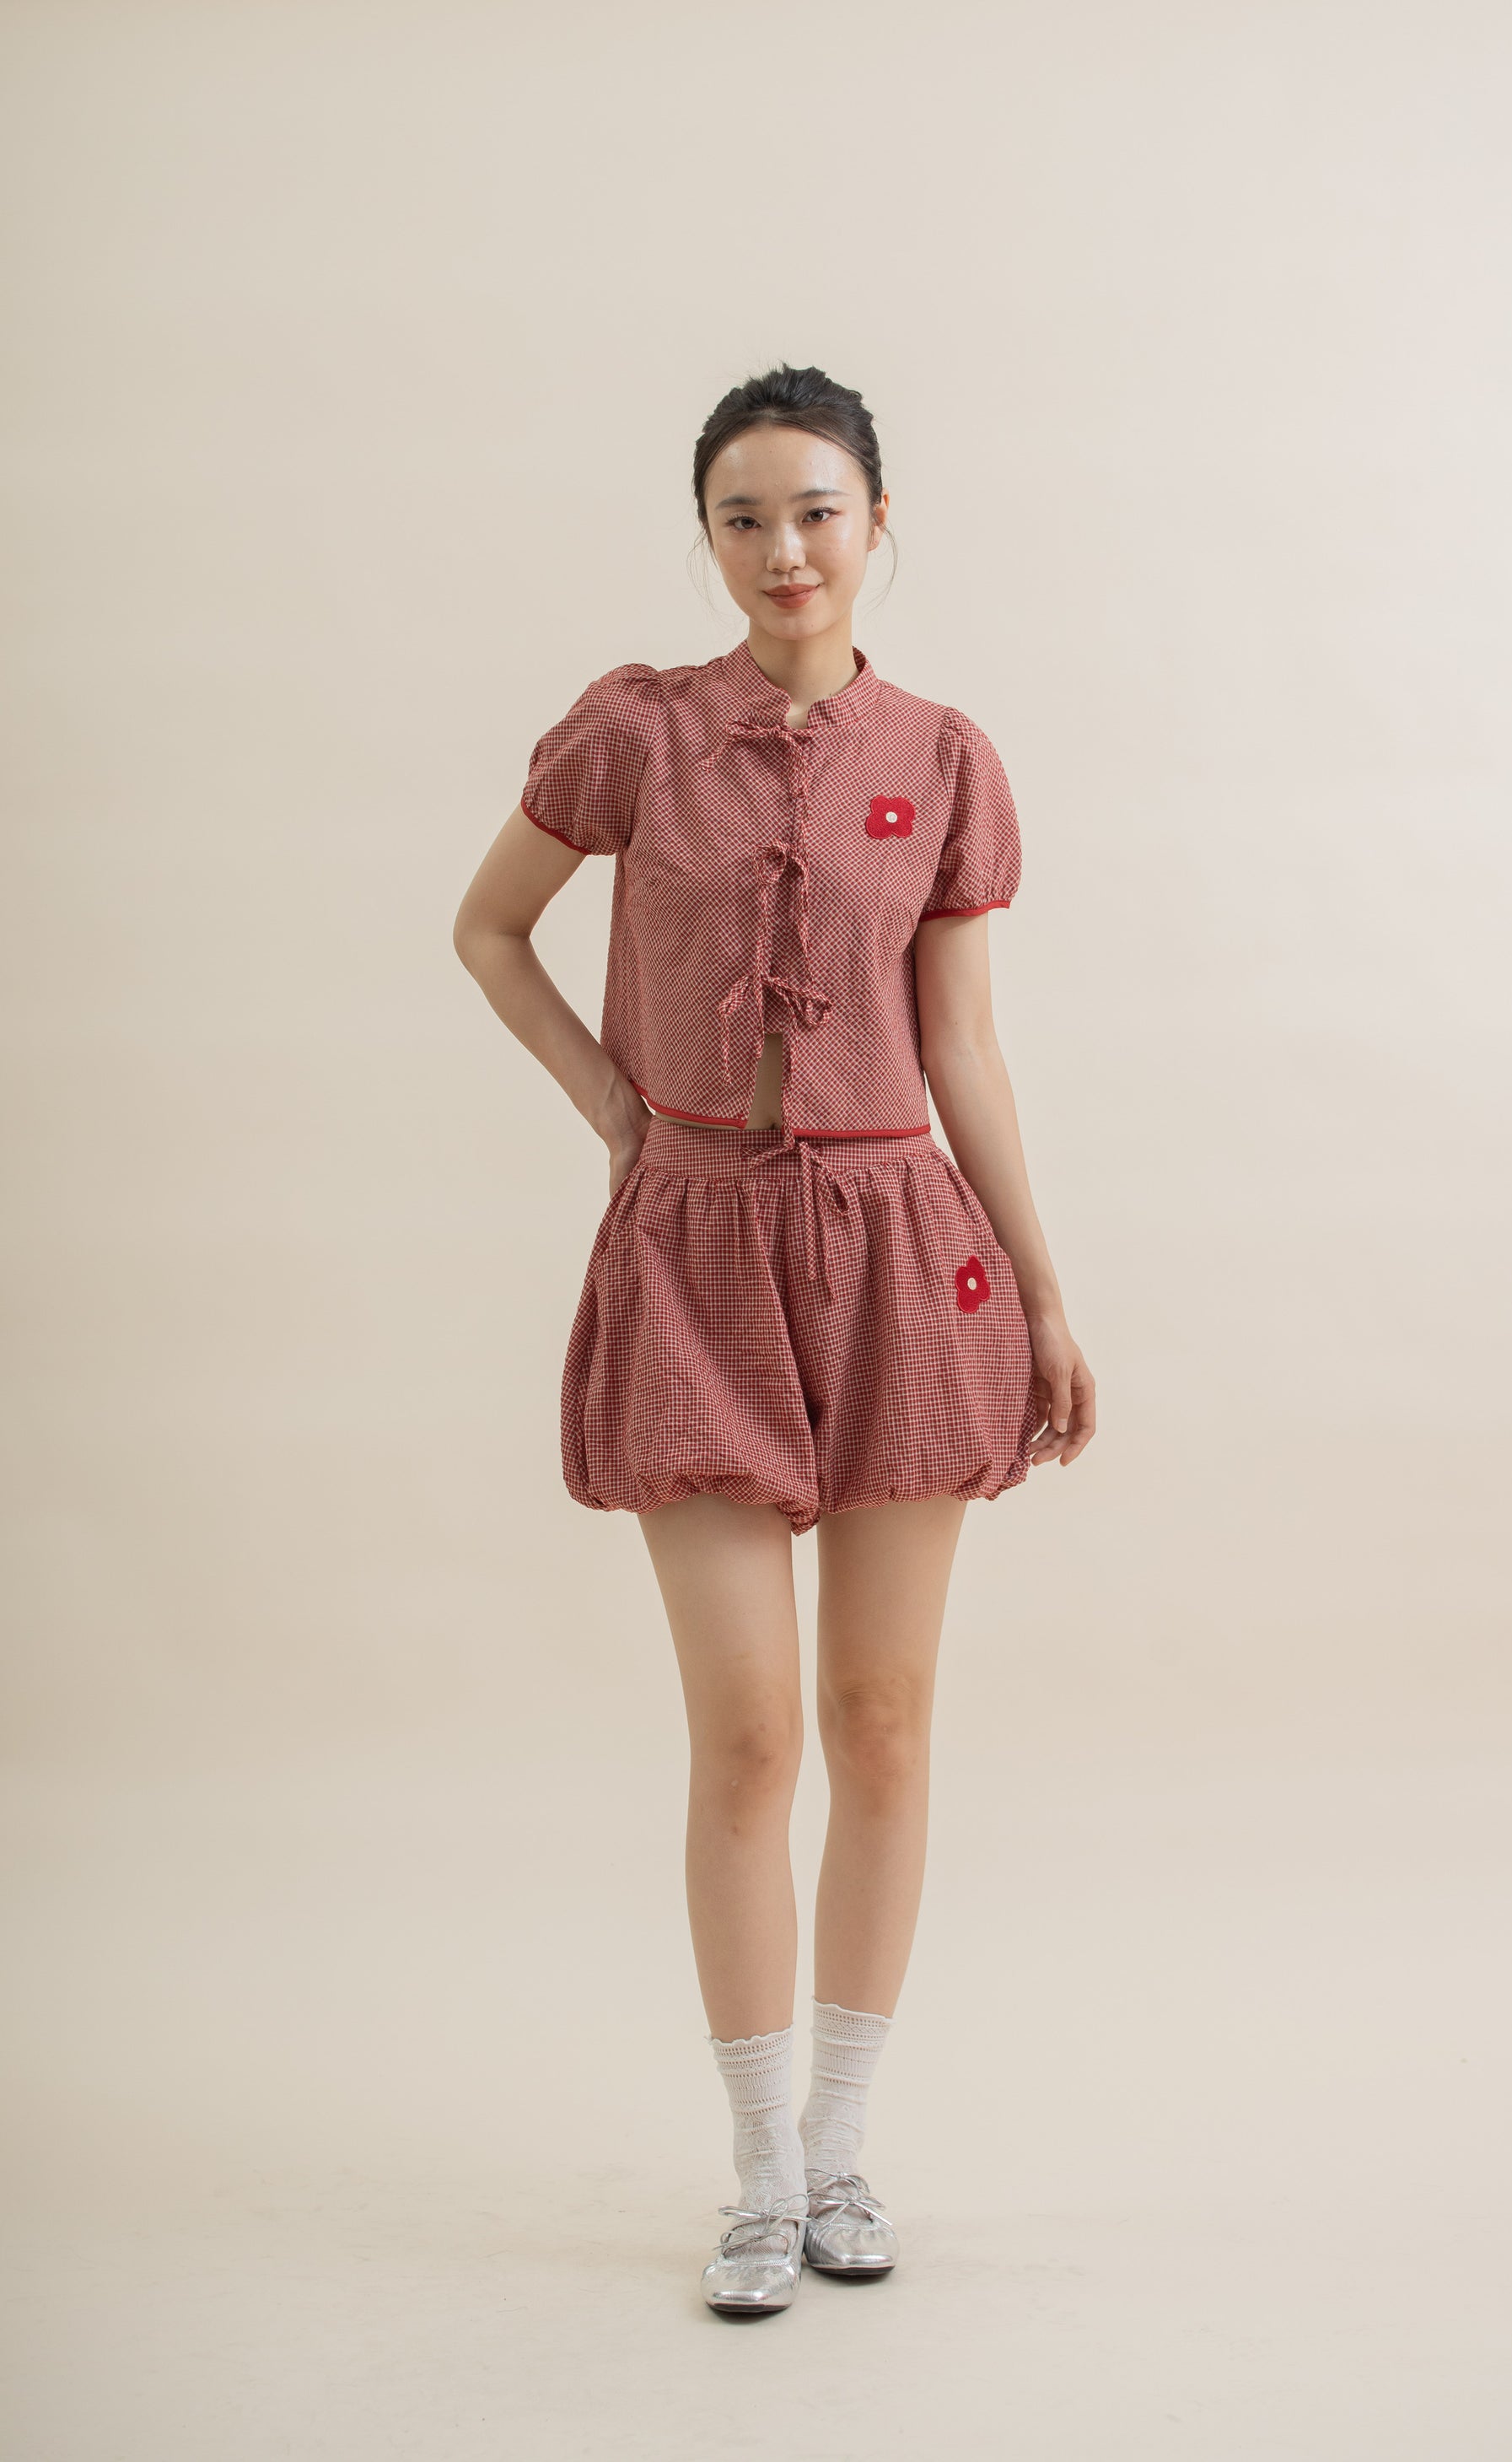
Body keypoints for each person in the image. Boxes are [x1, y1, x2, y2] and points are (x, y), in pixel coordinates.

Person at [453, 364, 1095, 2318]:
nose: (783, 549)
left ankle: (841, 2147)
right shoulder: (633, 736)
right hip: (696, 1255)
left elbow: (963, 1046)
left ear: (877, 523)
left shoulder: (944, 756)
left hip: (906, 1256)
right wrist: (615, 1105)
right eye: (744, 516)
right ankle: (751, 2170)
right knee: (743, 1731)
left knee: (881, 1721)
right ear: (708, 538)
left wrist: (1042, 1289)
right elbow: (489, 927)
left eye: (817, 510)